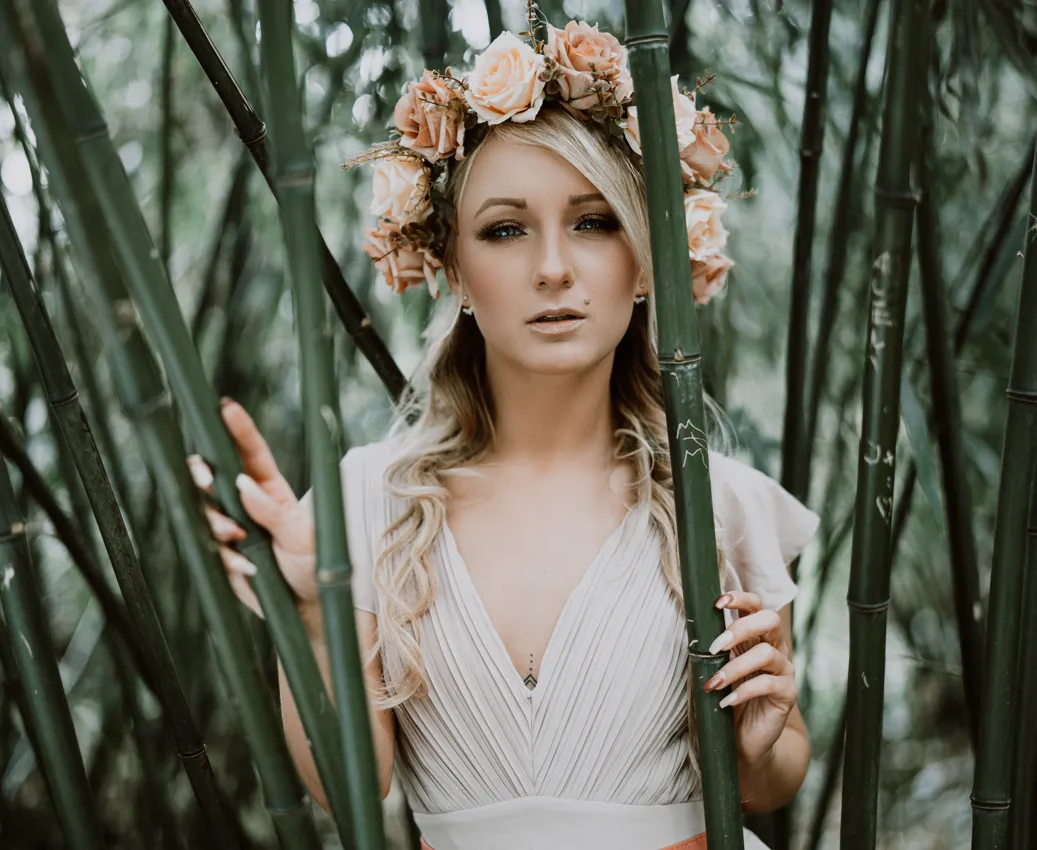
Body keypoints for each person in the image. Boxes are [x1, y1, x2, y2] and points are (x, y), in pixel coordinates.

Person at [187, 20, 818, 850]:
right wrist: (313, 617)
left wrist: (759, 742)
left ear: (643, 263)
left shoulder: (715, 499)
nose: (553, 267)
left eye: (594, 223)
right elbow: (352, 792)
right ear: (454, 271)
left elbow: (772, 778)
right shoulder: (367, 499)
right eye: (506, 229)